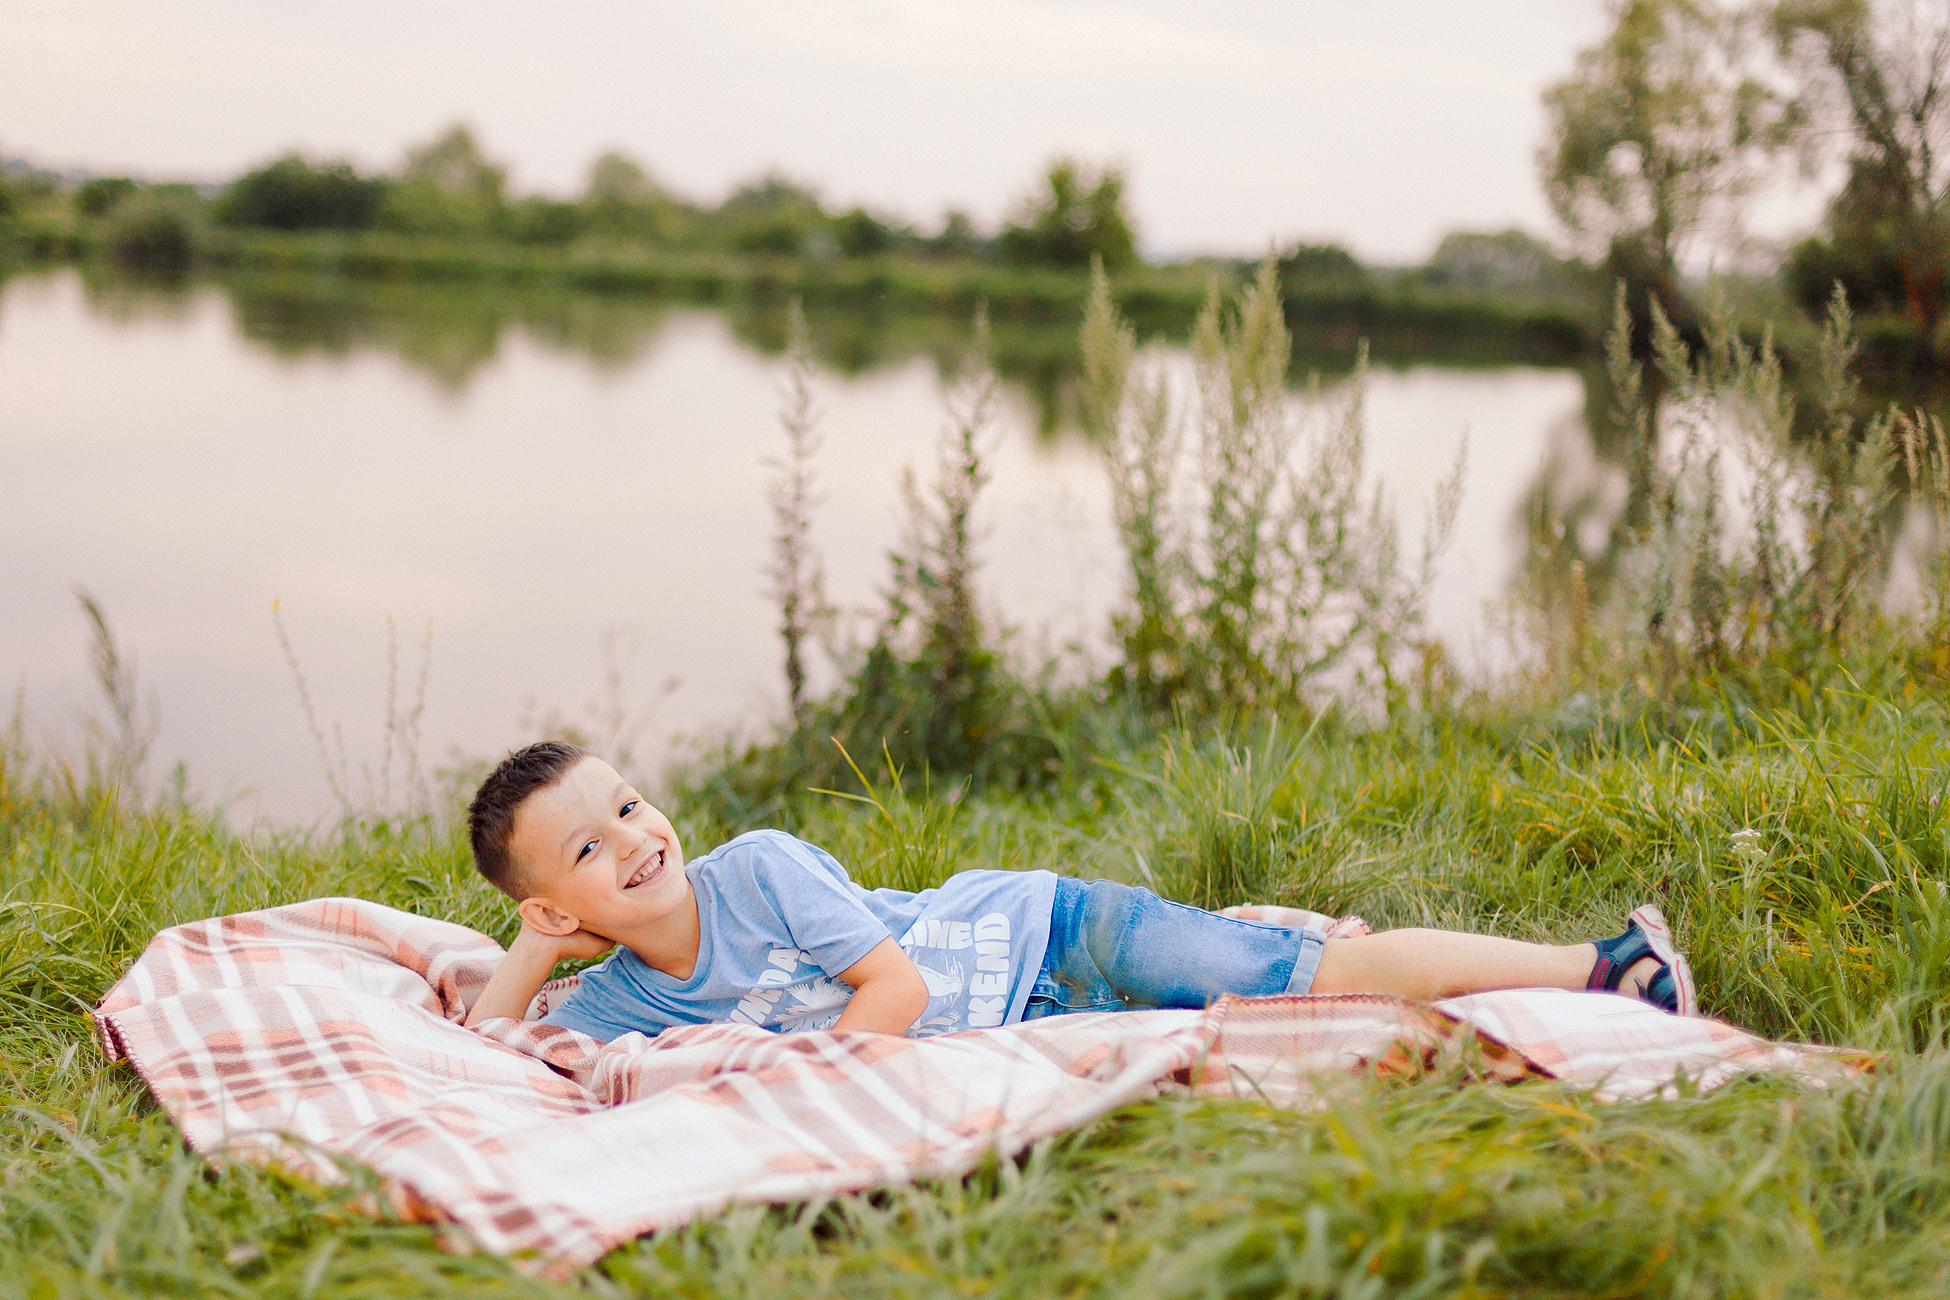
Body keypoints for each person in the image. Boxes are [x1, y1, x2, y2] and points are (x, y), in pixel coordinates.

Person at [462, 740, 1696, 1040]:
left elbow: (886, 989)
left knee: (1331, 983)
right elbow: (486, 1049)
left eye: (626, 806)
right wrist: (532, 956)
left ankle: (1606, 961)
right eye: (582, 852)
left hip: (1050, 928)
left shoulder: (763, 870)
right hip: (1032, 1022)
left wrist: (799, 1081)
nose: (629, 839)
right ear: (555, 905)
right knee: (1274, 1017)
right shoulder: (622, 1002)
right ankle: (1261, 935)